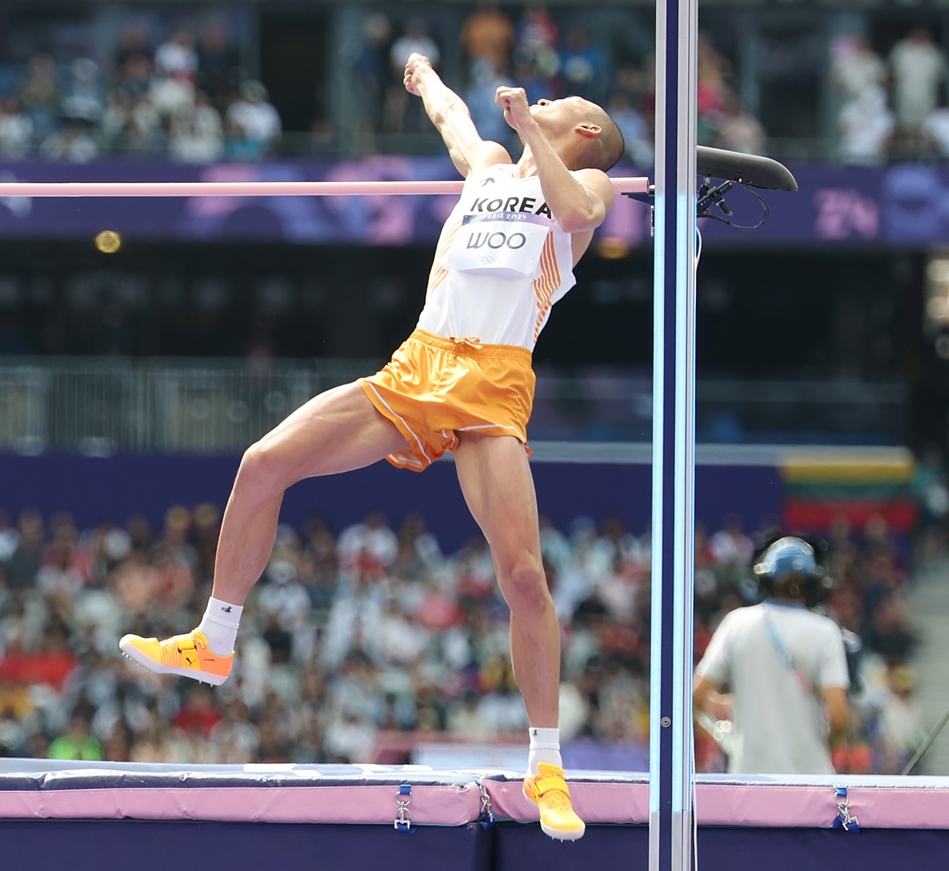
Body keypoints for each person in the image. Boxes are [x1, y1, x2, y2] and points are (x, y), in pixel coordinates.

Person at [121, 52, 624, 841]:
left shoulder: (589, 185)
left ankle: (547, 764)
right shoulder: (491, 168)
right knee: (262, 463)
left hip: (493, 385)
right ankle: (214, 640)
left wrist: (530, 122)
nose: (547, 98)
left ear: (585, 130)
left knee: (524, 577)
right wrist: (427, 82)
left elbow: (580, 213)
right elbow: (457, 124)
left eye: (563, 101)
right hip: (421, 360)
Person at [693, 536, 851, 774]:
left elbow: (694, 698)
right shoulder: (825, 632)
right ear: (813, 583)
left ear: (764, 579)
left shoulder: (737, 623)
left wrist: (724, 739)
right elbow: (839, 717)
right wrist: (820, 752)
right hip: (809, 779)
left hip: (749, 776)